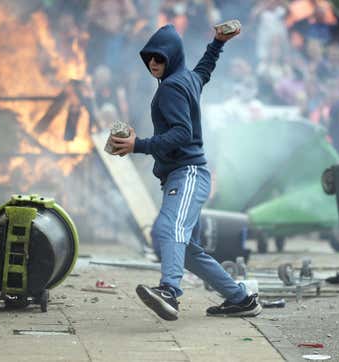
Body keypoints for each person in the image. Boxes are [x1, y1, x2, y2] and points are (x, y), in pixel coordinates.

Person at [109, 25, 262, 320]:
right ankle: (241, 299)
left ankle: (169, 291)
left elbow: (182, 133)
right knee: (189, 251)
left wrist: (136, 145)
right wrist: (217, 43)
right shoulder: (186, 78)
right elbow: (204, 70)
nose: (154, 63)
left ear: (172, 57)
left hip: (187, 173)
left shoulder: (170, 87)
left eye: (160, 58)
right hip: (184, 175)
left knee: (169, 229)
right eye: (150, 58)